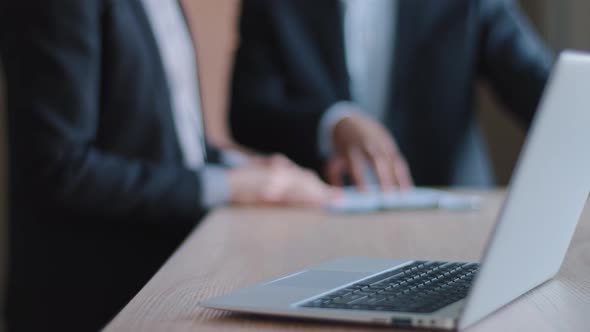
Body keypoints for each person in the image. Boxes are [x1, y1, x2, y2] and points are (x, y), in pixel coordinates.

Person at [0, 1, 338, 331]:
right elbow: (62, 168)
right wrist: (233, 186)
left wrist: (251, 169)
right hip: (97, 299)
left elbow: (170, 141)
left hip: (175, 276)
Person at [230, 0, 554, 189]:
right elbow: (248, 111)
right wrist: (333, 123)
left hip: (455, 208)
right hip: (320, 218)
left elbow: (531, 79)